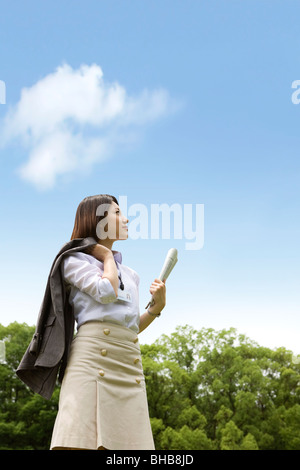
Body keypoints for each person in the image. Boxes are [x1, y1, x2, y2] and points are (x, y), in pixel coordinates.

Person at [50, 194, 166, 450]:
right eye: (117, 213)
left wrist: (157, 307)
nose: (125, 219)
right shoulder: (74, 261)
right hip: (92, 362)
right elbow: (106, 290)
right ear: (97, 220)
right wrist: (106, 256)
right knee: (80, 442)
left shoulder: (132, 275)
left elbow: (131, 325)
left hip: (129, 365)